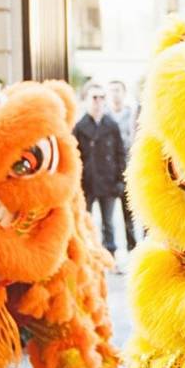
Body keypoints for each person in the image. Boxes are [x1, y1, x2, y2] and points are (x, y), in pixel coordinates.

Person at [73, 83, 127, 263]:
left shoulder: (111, 125)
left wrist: (120, 178)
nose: (98, 102)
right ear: (86, 100)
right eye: (94, 98)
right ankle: (87, 256)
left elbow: (120, 153)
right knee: (86, 221)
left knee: (108, 223)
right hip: (87, 183)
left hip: (108, 180)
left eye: (102, 97)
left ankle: (110, 257)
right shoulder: (80, 127)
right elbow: (74, 155)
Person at [106, 80, 138, 252]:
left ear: (123, 93)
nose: (114, 94)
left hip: (129, 168)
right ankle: (110, 253)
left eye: (117, 90)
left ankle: (132, 248)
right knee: (108, 217)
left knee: (130, 212)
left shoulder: (131, 113)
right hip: (111, 171)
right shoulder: (105, 115)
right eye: (111, 91)